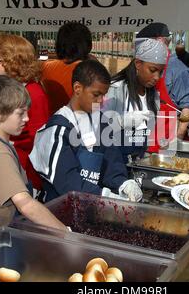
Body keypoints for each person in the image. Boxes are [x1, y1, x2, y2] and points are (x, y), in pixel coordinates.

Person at [30, 60, 143, 203]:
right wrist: (105, 195)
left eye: (104, 94)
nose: (101, 101)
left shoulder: (101, 122)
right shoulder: (56, 130)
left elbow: (111, 162)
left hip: (92, 206)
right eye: (96, 94)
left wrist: (123, 183)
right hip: (61, 209)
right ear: (77, 88)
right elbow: (68, 182)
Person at [0, 75, 66, 236]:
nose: (27, 118)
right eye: (20, 113)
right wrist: (66, 232)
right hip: (1, 239)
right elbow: (25, 204)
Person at [0, 32, 49, 196]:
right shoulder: (11, 89)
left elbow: (40, 141)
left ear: (11, 62)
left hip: (25, 178)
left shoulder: (34, 94)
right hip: (10, 170)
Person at [102, 38, 168, 163]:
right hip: (112, 162)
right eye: (153, 70)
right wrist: (121, 121)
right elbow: (95, 125)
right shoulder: (115, 89)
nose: (157, 77)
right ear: (138, 64)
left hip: (138, 161)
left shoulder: (153, 95)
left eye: (160, 72)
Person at [135, 22, 189, 143]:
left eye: (144, 44)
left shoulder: (178, 70)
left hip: (164, 144)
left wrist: (176, 142)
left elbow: (187, 110)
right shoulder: (141, 64)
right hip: (140, 139)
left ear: (160, 41)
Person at [41, 22, 93, 116]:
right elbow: (96, 105)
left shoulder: (46, 66)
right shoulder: (88, 69)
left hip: (53, 121)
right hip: (79, 123)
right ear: (86, 44)